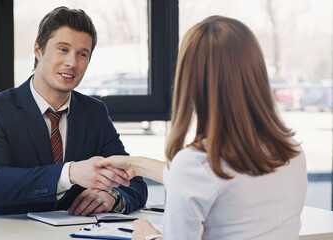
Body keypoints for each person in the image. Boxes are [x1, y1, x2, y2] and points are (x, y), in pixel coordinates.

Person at [95, 15, 307, 240]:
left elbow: (197, 178)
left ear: (191, 81)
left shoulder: (197, 164)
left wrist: (147, 236)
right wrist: (134, 165)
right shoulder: (292, 152)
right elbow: (205, 181)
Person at [0, 6, 147, 217]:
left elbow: (133, 181)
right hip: (9, 232)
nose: (72, 63)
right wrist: (70, 173)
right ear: (38, 50)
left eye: (82, 54)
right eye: (63, 49)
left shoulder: (94, 112)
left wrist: (112, 196)